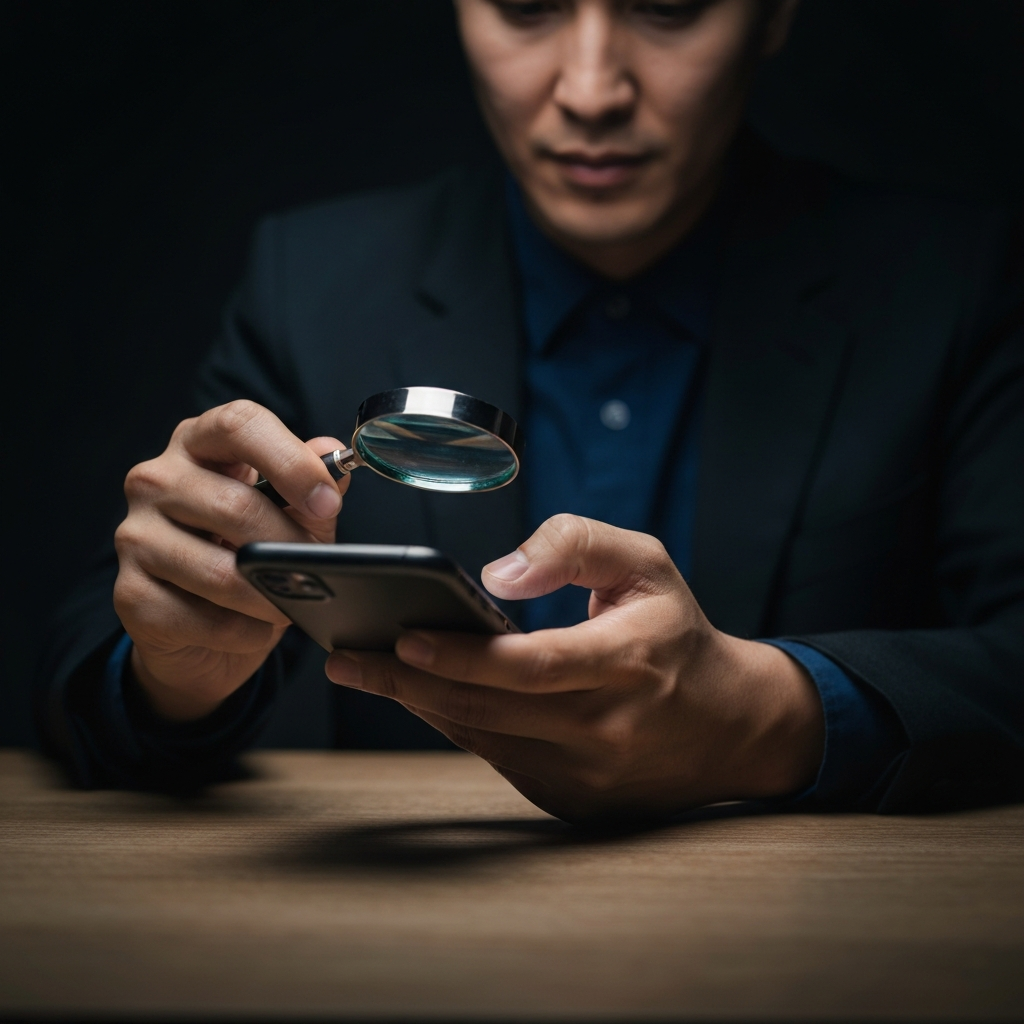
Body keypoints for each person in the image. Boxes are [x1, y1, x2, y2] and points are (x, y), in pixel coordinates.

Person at [37, 0, 1024, 821]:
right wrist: (177, 664)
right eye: (524, 5)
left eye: (671, 8)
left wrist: (769, 715)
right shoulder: (311, 280)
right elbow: (91, 667)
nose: (590, 91)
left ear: (772, 15)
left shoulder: (955, 282)